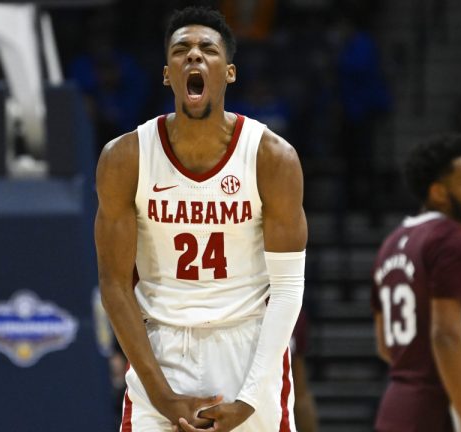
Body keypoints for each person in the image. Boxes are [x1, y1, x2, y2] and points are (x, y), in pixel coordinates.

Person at [94, 6, 307, 432]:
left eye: (207, 49)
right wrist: (163, 397)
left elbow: (287, 288)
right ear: (166, 74)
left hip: (248, 345)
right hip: (162, 346)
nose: (194, 56)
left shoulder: (271, 157)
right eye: (182, 50)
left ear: (229, 73)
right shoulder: (125, 158)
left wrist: (250, 398)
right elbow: (115, 285)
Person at [370, 134, 461, 431]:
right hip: (440, 412)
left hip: (396, 407)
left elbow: (386, 346)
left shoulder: (393, 242)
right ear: (438, 192)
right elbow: (446, 336)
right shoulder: (452, 239)